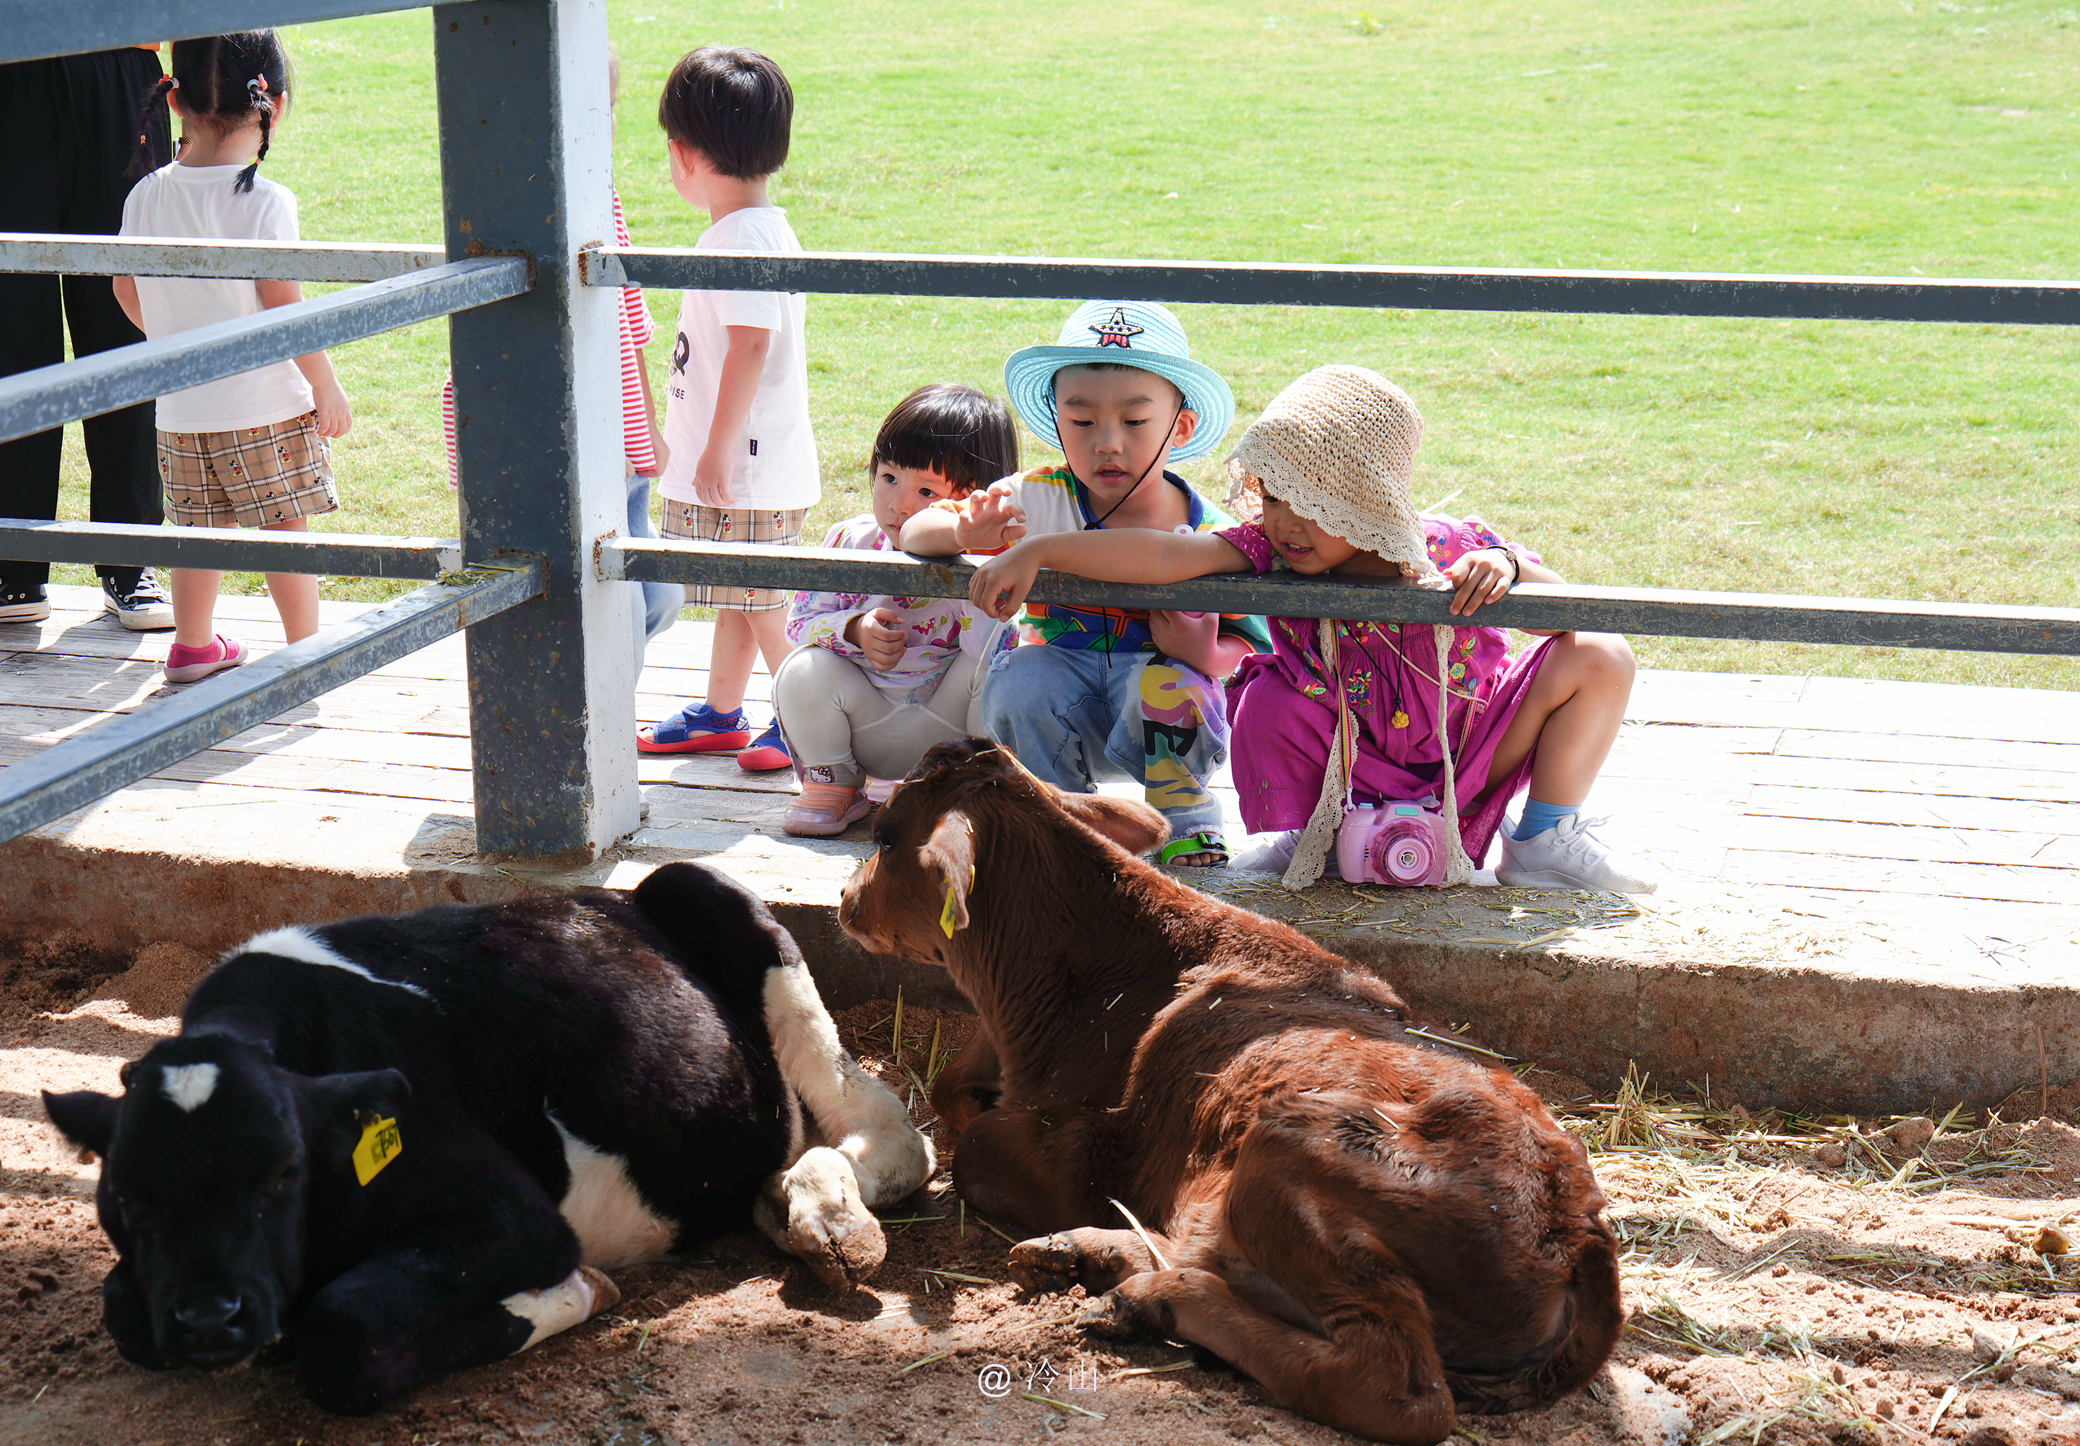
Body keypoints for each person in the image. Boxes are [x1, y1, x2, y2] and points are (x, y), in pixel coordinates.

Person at [967, 364, 1655, 894]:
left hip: (1465, 754)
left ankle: (1542, 839)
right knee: (1266, 694)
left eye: (1313, 502)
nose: (1286, 523)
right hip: (1348, 762)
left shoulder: (1454, 548)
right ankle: (1311, 832)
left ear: (1369, 497)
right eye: (1272, 497)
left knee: (1600, 651)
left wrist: (1510, 566)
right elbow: (1164, 555)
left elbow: (1578, 614)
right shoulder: (1268, 550)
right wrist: (1040, 550)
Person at [901, 300, 1268, 867]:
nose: (1107, 442)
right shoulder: (1034, 499)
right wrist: (960, 527)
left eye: (1135, 421)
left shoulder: (1204, 530)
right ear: (1055, 422)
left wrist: (1203, 653)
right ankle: (1055, 817)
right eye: (1081, 421)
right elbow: (915, 532)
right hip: (1061, 697)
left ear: (1182, 426)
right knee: (1019, 676)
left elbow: (1246, 650)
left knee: (1177, 686)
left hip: (1151, 709)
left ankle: (1185, 822)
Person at [112, 31, 350, 685]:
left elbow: (124, 287)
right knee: (283, 526)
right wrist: (324, 383)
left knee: (197, 529)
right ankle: (305, 650)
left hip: (181, 408)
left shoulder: (146, 195)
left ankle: (192, 645)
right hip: (264, 404)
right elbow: (283, 307)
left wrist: (169, 337)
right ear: (270, 100)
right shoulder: (266, 202)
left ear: (175, 100)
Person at [440, 48, 681, 675]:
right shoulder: (498, 203)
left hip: (622, 451)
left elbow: (631, 320)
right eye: (582, 106)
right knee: (613, 610)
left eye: (607, 108)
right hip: (563, 457)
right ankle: (602, 736)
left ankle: (603, 697)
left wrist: (648, 430)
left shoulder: (604, 196)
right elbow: (478, 349)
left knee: (662, 596)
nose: (601, 124)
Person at [636, 45, 816, 771]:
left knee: (761, 599)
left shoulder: (740, 236)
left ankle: (804, 718)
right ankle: (721, 711)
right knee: (745, 591)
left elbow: (748, 344)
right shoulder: (756, 226)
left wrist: (712, 447)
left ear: (682, 154)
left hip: (742, 466)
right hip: (748, 463)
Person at [772, 383, 1018, 836]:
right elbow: (799, 623)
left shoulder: (989, 562)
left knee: (1004, 666)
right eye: (889, 477)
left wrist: (978, 566)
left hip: (952, 727)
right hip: (864, 720)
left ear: (972, 499)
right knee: (803, 668)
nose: (899, 504)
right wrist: (853, 630)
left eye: (926, 491)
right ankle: (834, 782)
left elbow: (989, 650)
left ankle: (978, 789)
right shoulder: (851, 541)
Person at [0, 44, 176, 630]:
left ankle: (131, 559)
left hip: (119, 68)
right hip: (10, 69)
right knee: (11, 326)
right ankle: (14, 563)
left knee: (124, 318)